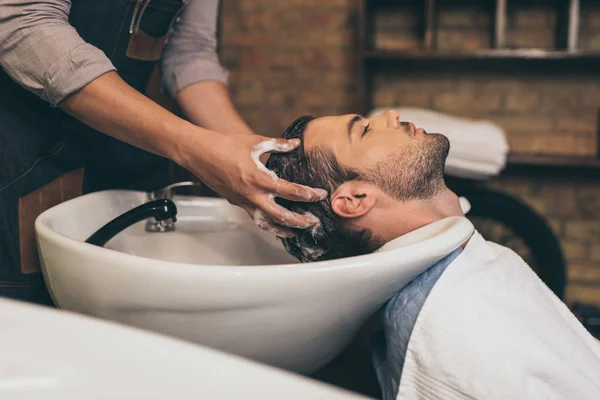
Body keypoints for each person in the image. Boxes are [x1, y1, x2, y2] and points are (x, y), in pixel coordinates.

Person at [0, 0, 325, 305]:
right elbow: (24, 21)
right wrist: (192, 146)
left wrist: (259, 158)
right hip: (23, 146)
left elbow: (188, 50)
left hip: (126, 143)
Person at [267, 109, 600, 399]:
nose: (392, 115)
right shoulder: (456, 331)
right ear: (355, 199)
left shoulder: (462, 262)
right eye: (364, 130)